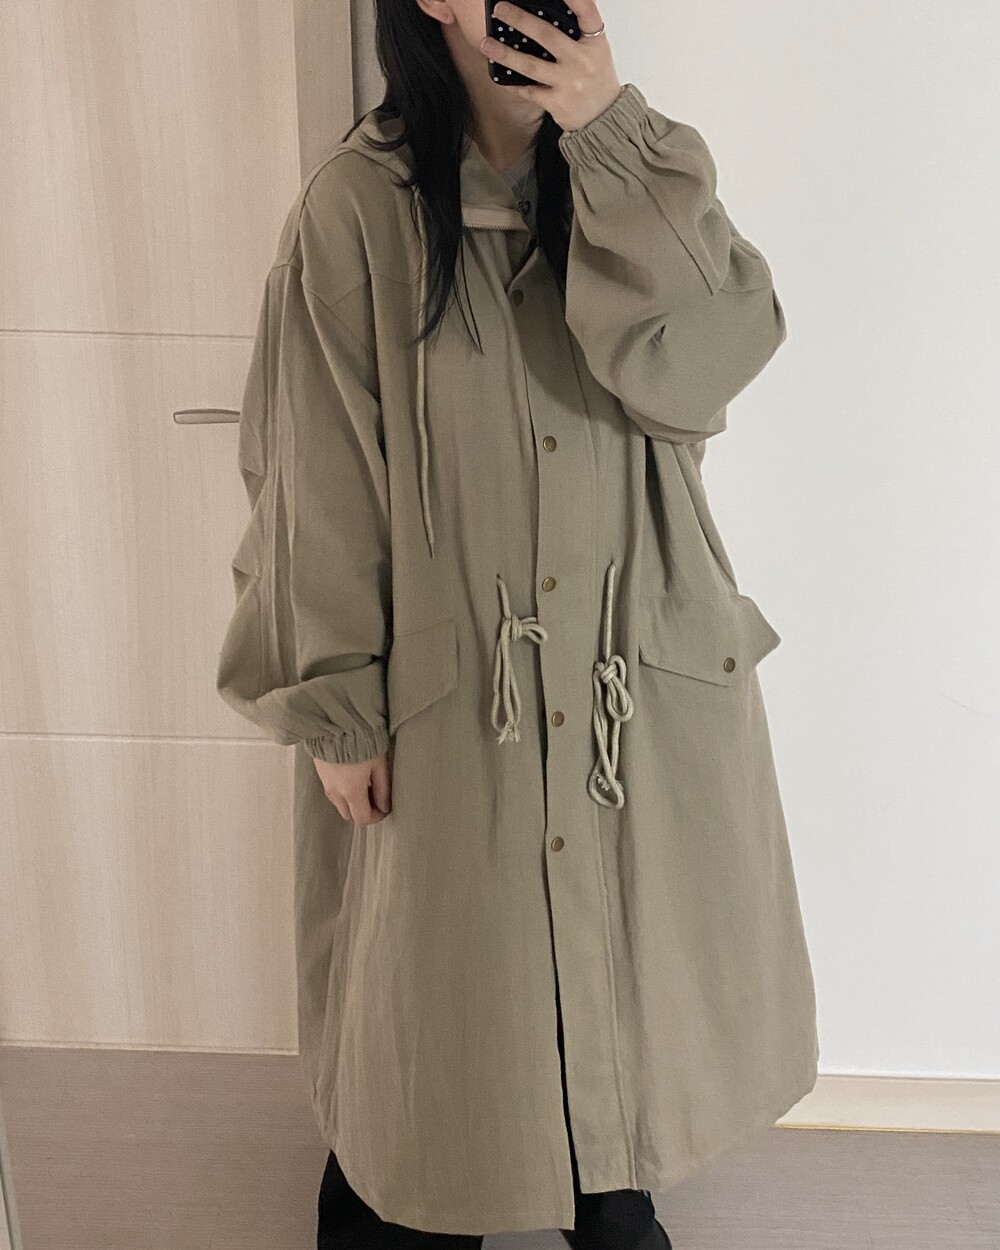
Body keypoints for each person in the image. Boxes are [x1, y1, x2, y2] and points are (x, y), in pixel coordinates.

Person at [216, 0, 820, 1245]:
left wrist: (609, 137)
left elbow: (707, 365)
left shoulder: (636, 167)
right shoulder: (357, 208)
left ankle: (608, 1185)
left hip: (627, 659)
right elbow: (313, 474)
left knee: (619, 963)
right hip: (450, 684)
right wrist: (334, 697)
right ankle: (407, 1197)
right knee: (438, 1001)